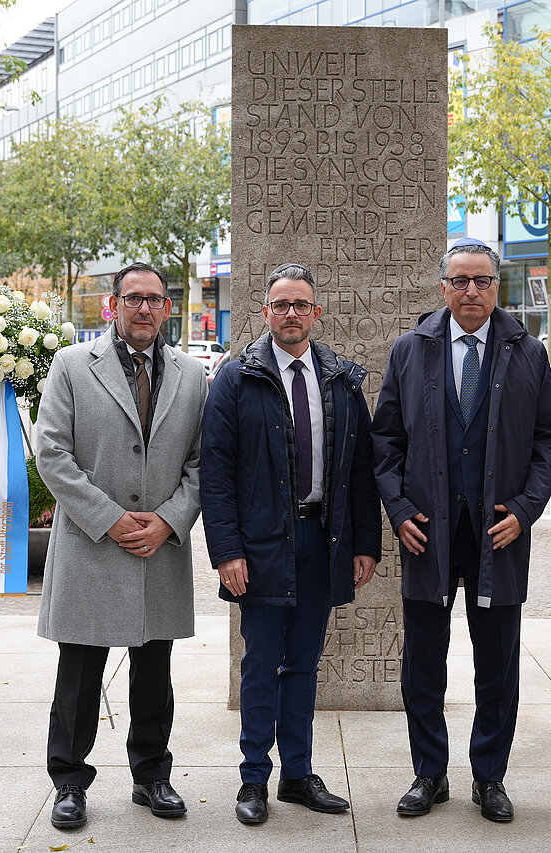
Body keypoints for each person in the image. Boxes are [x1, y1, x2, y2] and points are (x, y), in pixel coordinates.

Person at [372, 237, 551, 823]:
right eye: (459, 280)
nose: (470, 291)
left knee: (497, 664)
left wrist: (527, 508)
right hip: (428, 534)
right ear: (443, 288)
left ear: (496, 287)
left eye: (481, 281)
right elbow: (385, 442)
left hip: (498, 534)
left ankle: (490, 776)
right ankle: (429, 773)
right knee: (424, 664)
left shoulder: (526, 352)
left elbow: (550, 440)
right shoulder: (412, 350)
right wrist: (399, 510)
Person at [200, 262, 382, 826]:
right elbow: (216, 472)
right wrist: (227, 551)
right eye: (281, 305)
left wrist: (364, 545)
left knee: (304, 663)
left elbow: (361, 472)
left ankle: (297, 775)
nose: (291, 314)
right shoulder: (236, 378)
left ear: (316, 312)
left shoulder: (342, 381)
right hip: (259, 545)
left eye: (301, 304)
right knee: (261, 664)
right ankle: (253, 778)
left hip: (322, 539)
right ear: (265, 312)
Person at [35, 262, 207, 830]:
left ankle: (152, 775)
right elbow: (52, 454)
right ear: (113, 306)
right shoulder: (71, 366)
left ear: (167, 308)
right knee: (79, 674)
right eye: (133, 298)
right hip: (92, 545)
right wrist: (109, 519)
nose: (144, 309)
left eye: (155, 300)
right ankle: (68, 781)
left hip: (159, 548)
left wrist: (169, 520)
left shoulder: (190, 374)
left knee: (154, 673)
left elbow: (201, 464)